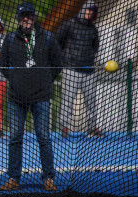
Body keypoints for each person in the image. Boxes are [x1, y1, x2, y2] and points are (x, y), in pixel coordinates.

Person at [0, 3, 62, 191]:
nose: (26, 19)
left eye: (29, 16)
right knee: (15, 138)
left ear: (34, 17)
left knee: (44, 138)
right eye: (22, 16)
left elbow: (57, 65)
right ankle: (13, 179)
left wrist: (43, 81)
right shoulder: (10, 38)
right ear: (18, 18)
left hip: (41, 96)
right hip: (16, 97)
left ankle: (48, 178)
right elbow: (3, 65)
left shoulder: (48, 37)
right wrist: (17, 79)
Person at [56, 0, 105, 138]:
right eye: (88, 10)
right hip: (72, 69)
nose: (90, 13)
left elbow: (95, 47)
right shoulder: (69, 24)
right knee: (68, 100)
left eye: (93, 11)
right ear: (83, 10)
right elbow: (56, 40)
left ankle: (92, 128)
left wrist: (90, 58)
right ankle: (64, 128)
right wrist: (63, 58)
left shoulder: (93, 29)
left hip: (89, 70)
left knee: (91, 101)